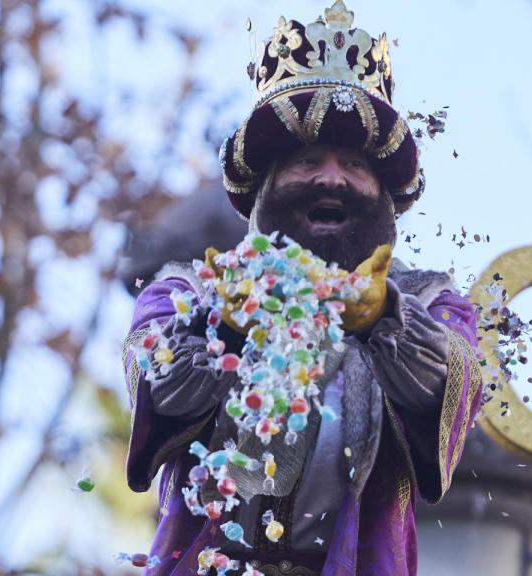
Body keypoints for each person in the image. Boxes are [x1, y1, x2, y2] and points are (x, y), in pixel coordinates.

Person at [123, 2, 483, 574]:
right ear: (265, 188)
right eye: (308, 159)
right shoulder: (188, 290)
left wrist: (387, 317)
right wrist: (221, 326)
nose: (331, 177)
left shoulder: (429, 301)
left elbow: (460, 386)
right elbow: (154, 380)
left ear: (384, 193)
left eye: (354, 165)